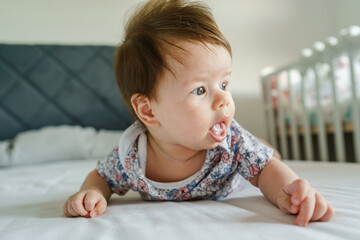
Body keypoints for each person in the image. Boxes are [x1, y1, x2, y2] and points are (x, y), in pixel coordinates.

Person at [63, 0, 334, 226]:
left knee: (267, 155)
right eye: (200, 91)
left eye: (224, 84)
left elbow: (265, 171)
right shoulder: (132, 155)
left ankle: (265, 145)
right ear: (148, 111)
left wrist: (288, 191)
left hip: (237, 172)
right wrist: (91, 193)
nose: (223, 100)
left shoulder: (231, 142)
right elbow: (102, 177)